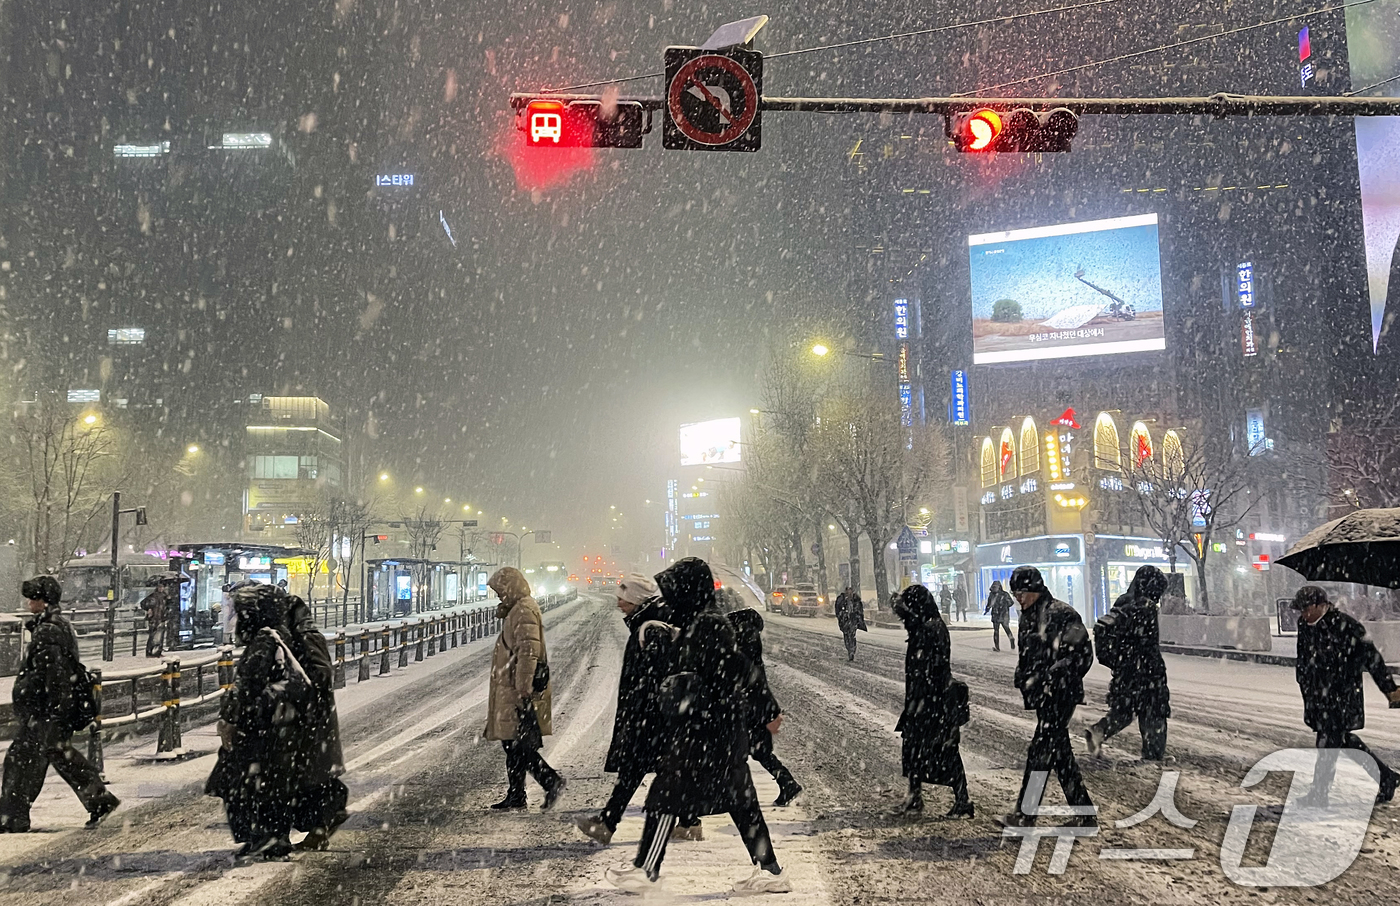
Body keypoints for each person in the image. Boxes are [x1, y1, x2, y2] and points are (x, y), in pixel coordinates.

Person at [605, 558, 789, 895]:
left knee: (666, 795)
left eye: (673, 591)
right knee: (741, 804)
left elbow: (741, 669)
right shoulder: (696, 622)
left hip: (708, 732)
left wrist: (768, 712)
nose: (668, 598)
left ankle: (646, 870)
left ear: (688, 591)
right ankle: (771, 871)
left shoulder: (708, 625)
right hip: (714, 731)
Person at [575, 574, 694, 844]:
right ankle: (689, 822)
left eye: (623, 599)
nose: (619, 604)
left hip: (650, 715)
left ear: (638, 600)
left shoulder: (651, 629)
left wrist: (643, 706)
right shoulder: (650, 623)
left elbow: (656, 675)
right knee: (665, 768)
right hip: (655, 714)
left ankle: (608, 823)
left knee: (635, 769)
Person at [0, 576, 120, 833]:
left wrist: (54, 710)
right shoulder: (53, 626)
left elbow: (54, 675)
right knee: (42, 757)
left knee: (33, 759)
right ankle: (13, 816)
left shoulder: (48, 631)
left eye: (33, 598)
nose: (29, 602)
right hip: (45, 710)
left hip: (45, 710)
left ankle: (13, 817)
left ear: (44, 602)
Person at [207, 584, 307, 861]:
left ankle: (264, 837)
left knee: (245, 783)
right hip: (275, 727)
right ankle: (269, 836)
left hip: (258, 727)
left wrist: (233, 716)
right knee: (268, 783)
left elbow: (247, 686)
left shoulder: (264, 641)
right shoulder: (279, 636)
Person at [999, 566, 1095, 828]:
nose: (1019, 599)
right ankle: (1085, 814)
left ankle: (1025, 814)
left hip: (1060, 694)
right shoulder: (1029, 615)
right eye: (1015, 594)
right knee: (1059, 754)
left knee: (1040, 752)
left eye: (1022, 593)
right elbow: (1031, 654)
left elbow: (1083, 654)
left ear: (1036, 590)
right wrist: (1024, 674)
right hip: (1044, 694)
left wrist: (1056, 674)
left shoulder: (1061, 614)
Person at [1292, 586, 1400, 805]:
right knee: (1343, 741)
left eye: (1306, 608)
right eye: (1300, 610)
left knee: (1327, 744)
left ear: (1320, 605)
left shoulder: (1346, 626)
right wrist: (1303, 681)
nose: (1303, 614)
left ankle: (1319, 794)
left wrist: (1389, 688)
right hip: (1317, 696)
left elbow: (1372, 658)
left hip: (1342, 696)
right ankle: (1386, 777)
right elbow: (1303, 658)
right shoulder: (1304, 624)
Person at [484, 567, 565, 810]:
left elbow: (528, 651)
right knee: (513, 742)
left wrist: (523, 686)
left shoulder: (522, 610)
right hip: (511, 686)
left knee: (517, 744)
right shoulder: (517, 609)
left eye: (500, 590)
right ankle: (518, 793)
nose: (499, 595)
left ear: (510, 587)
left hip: (515, 688)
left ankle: (549, 781)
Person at [892, 586, 974, 818]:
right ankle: (915, 796)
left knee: (944, 751)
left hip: (933, 702)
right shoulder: (926, 625)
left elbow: (933, 668)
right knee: (914, 750)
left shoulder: (931, 628)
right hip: (923, 700)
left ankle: (962, 800)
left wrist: (926, 697)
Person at [281, 591, 348, 849]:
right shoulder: (299, 637)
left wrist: (297, 692)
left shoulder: (306, 638)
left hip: (313, 720)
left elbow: (321, 673)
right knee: (312, 777)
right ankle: (322, 824)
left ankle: (325, 821)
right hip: (311, 719)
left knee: (313, 777)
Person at [725, 589, 802, 808]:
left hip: (748, 702)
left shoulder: (741, 632)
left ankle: (736, 794)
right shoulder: (748, 631)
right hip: (754, 701)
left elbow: (742, 669)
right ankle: (786, 783)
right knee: (756, 750)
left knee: (742, 750)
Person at [1085, 566, 1171, 761]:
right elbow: (1148, 644)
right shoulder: (1146, 607)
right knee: (1154, 712)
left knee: (1124, 710)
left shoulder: (1123, 601)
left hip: (1125, 670)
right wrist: (1154, 669)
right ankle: (1153, 755)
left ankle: (1099, 731)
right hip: (1147, 670)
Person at [140, 579, 175, 658]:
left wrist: (169, 601)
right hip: (154, 618)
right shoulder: (153, 596)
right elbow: (143, 603)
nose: (161, 589)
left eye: (162, 587)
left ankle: (157, 652)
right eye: (160, 587)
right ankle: (150, 652)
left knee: (159, 635)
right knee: (153, 635)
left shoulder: (165, 596)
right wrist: (149, 609)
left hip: (161, 618)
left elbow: (169, 605)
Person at [835, 586, 867, 661]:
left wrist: (857, 616)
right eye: (848, 591)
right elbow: (837, 609)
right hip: (845, 621)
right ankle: (849, 649)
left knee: (852, 635)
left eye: (850, 591)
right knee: (846, 635)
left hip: (853, 620)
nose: (849, 593)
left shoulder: (856, 600)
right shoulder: (841, 600)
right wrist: (841, 615)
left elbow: (860, 610)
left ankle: (852, 650)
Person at [984, 580, 1016, 652]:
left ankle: (1011, 639)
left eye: (996, 587)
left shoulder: (1004, 594)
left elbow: (1011, 603)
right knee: (996, 631)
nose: (994, 588)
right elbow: (989, 604)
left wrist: (1004, 606)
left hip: (1003, 614)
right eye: (993, 587)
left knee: (1006, 628)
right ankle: (997, 647)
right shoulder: (991, 595)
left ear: (999, 587)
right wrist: (987, 610)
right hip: (995, 614)